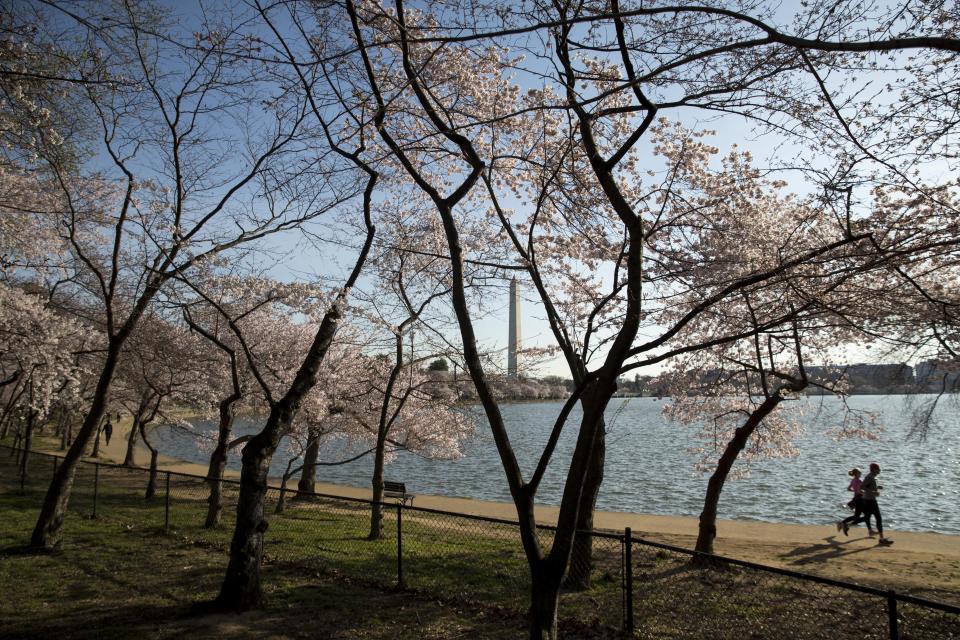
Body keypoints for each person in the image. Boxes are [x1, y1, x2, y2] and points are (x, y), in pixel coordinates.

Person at [843, 462, 892, 545]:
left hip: (867, 500)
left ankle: (848, 525)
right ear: (874, 470)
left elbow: (867, 487)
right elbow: (861, 487)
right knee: (878, 518)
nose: (879, 470)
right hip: (870, 501)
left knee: (866, 517)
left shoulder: (872, 477)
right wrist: (873, 492)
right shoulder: (869, 477)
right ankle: (881, 539)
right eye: (878, 469)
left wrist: (877, 487)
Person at [837, 467, 873, 536]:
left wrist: (855, 490)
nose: (861, 474)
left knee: (861, 515)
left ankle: (843, 523)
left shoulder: (853, 481)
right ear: (856, 474)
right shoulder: (859, 481)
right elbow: (862, 490)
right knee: (863, 516)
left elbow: (848, 488)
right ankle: (843, 523)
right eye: (860, 473)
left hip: (856, 499)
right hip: (860, 499)